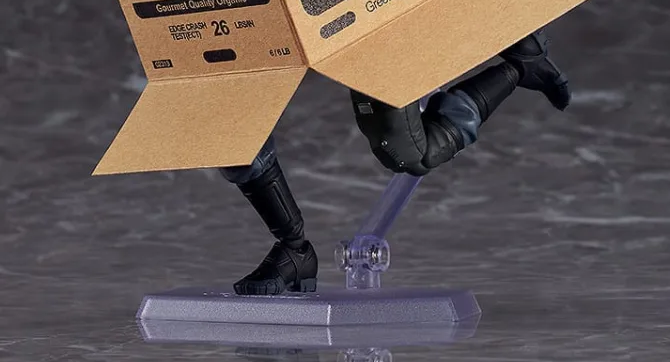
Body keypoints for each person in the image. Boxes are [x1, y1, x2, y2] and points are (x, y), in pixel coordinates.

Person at [220, 28, 570, 295]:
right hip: (248, 23)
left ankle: (520, 67)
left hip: (359, 16)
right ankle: (294, 251)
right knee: (228, 137)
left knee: (409, 153)